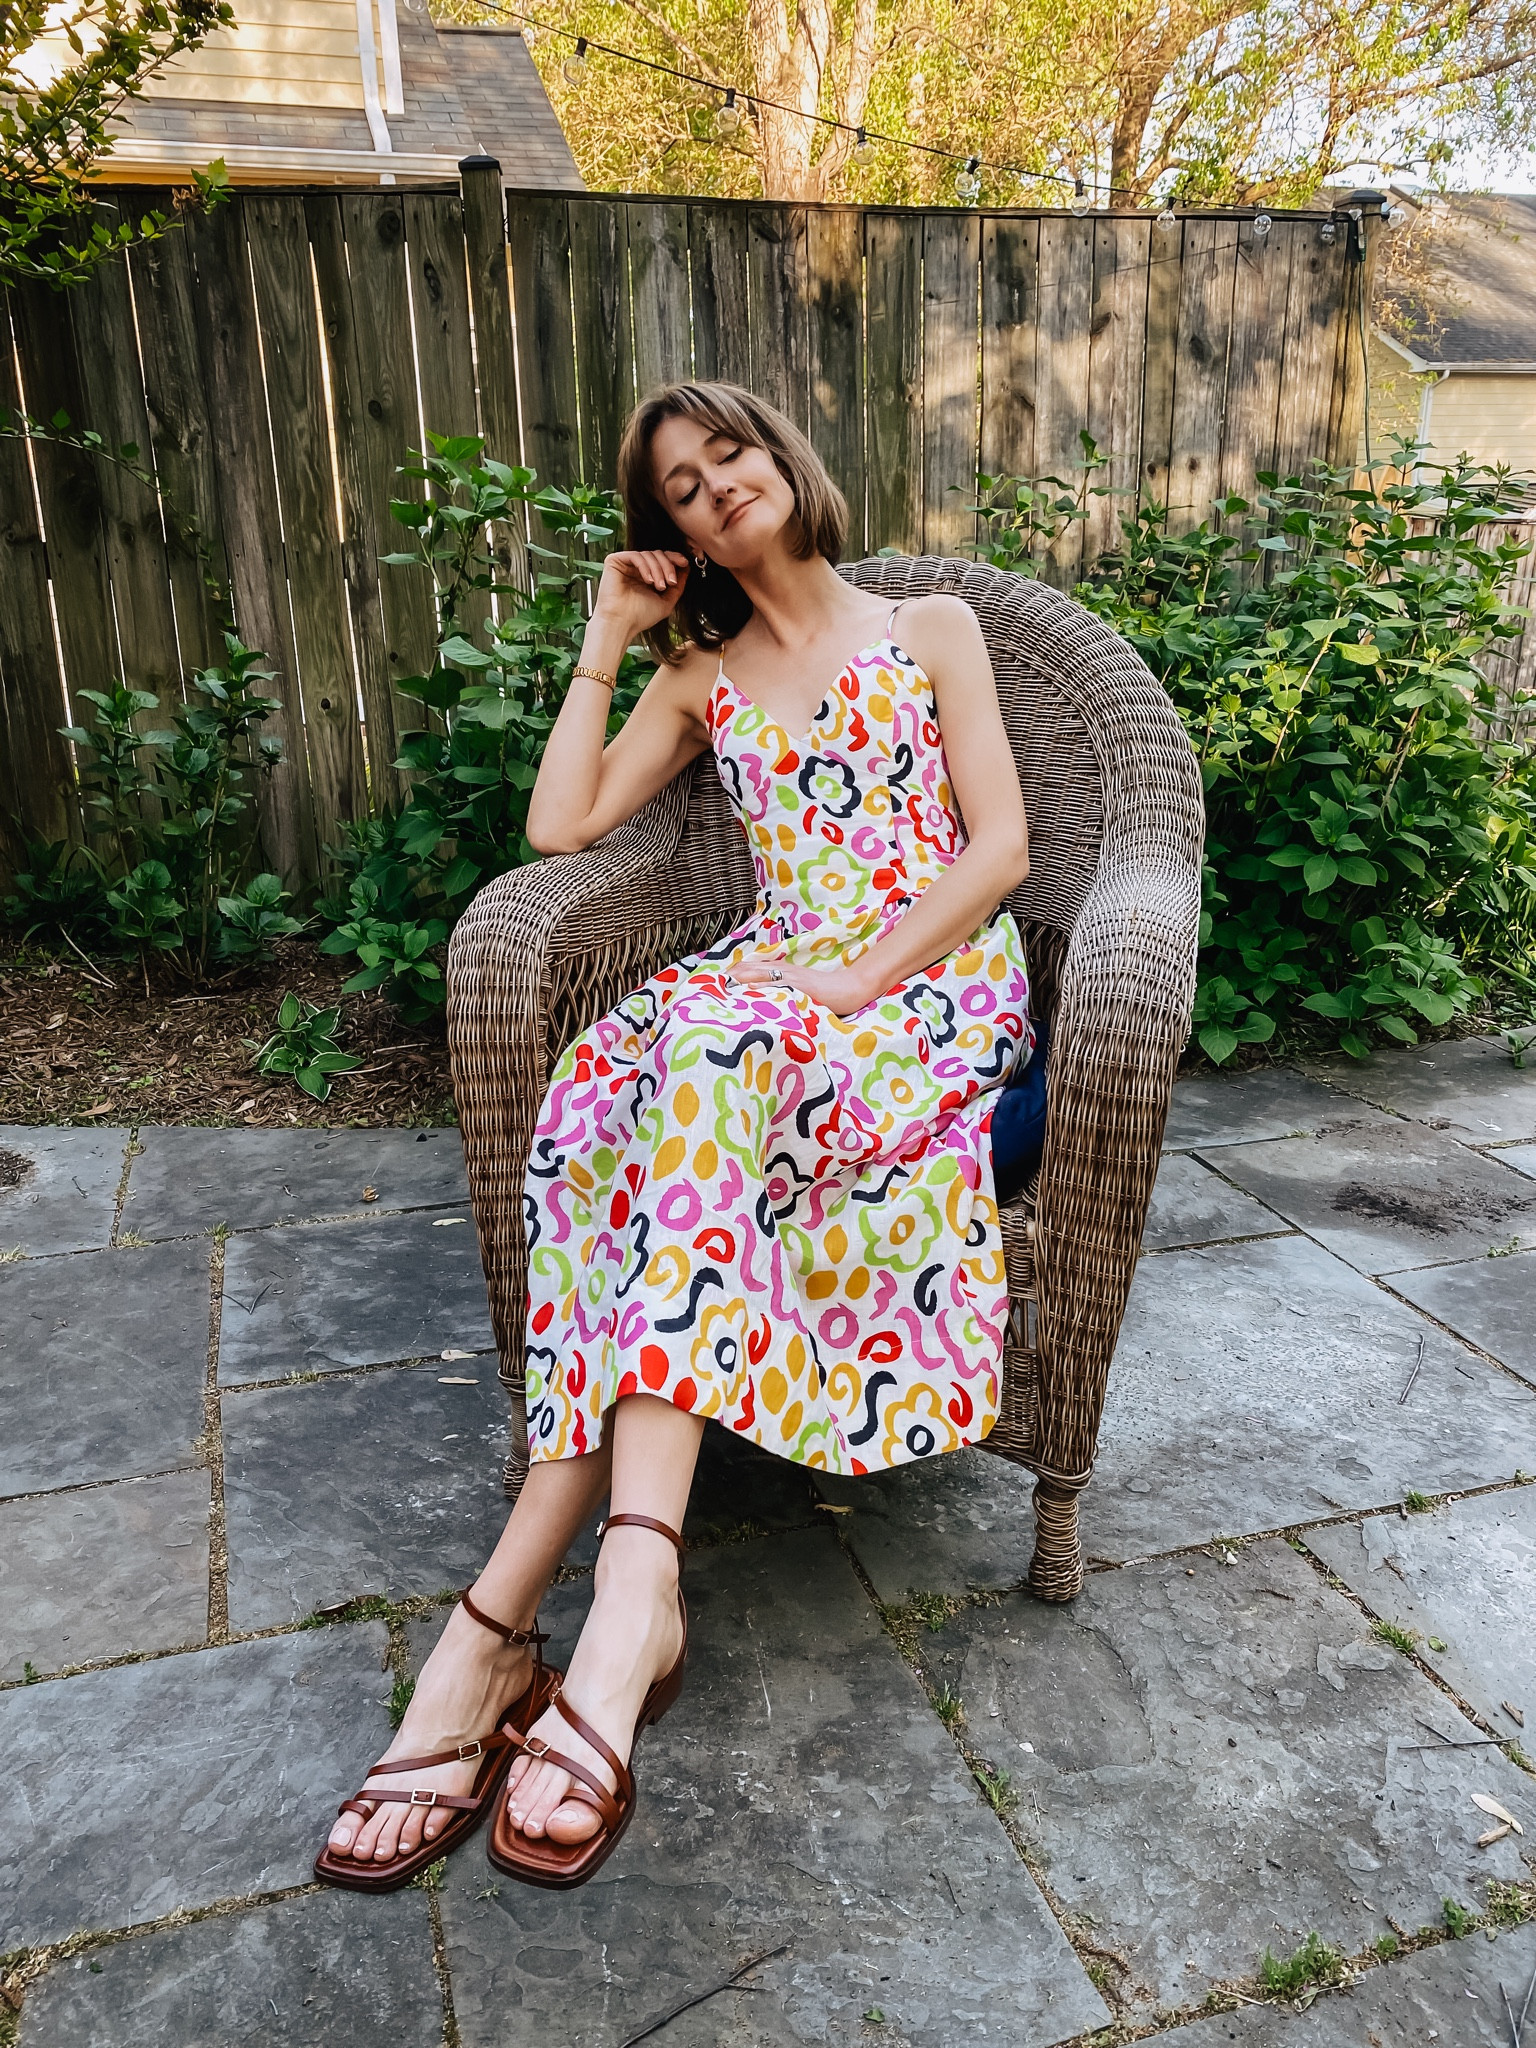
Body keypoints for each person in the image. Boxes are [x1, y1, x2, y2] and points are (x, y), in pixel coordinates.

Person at [315, 380, 1033, 1894]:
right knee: (610, 1089)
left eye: (732, 456)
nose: (716, 491)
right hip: (772, 999)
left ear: (783, 459)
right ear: (670, 532)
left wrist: (850, 975)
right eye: (683, 487)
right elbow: (558, 828)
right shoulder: (702, 675)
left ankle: (515, 1624)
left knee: (694, 1042)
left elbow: (1004, 850)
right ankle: (590, 1609)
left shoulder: (933, 632)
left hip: (926, 987)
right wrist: (604, 640)